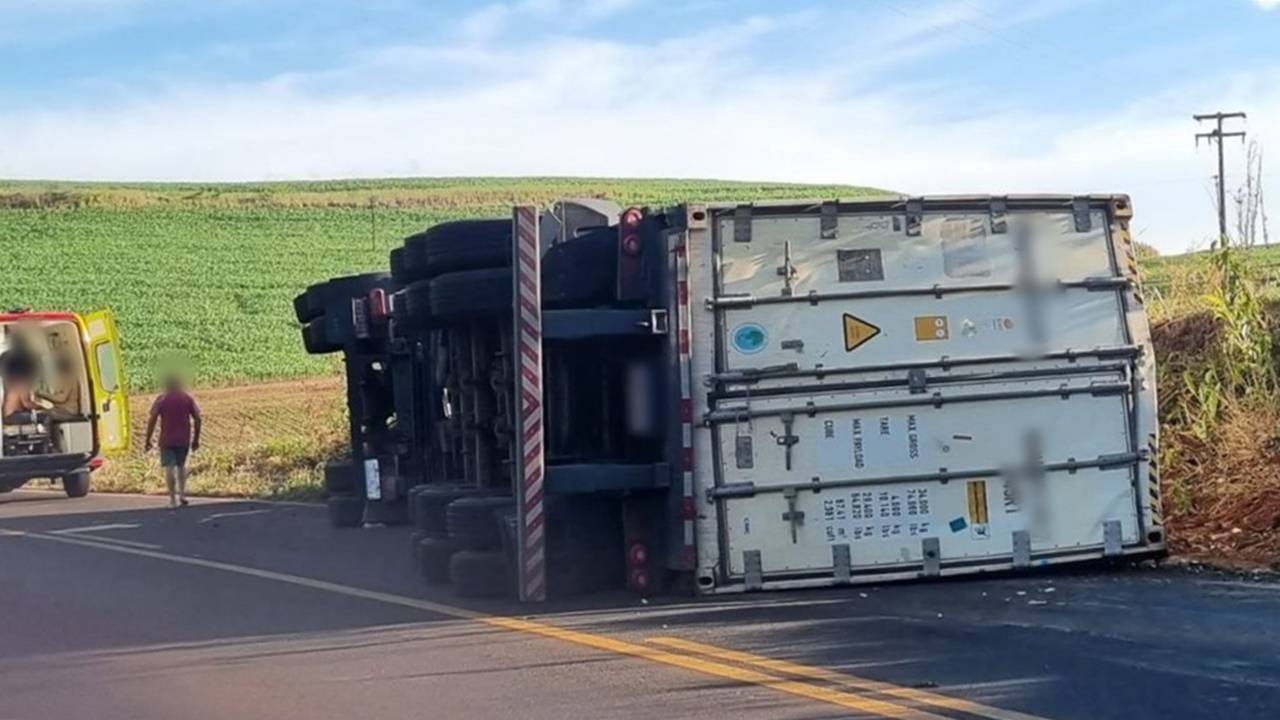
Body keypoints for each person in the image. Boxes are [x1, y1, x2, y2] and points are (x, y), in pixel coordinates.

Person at [144, 375, 202, 509]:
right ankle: (182, 494)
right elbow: (198, 418)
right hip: (184, 438)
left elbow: (152, 419)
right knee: (181, 466)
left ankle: (172, 499)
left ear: (167, 386)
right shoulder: (187, 398)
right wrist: (196, 439)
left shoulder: (161, 399)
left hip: (166, 439)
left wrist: (148, 439)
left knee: (169, 467)